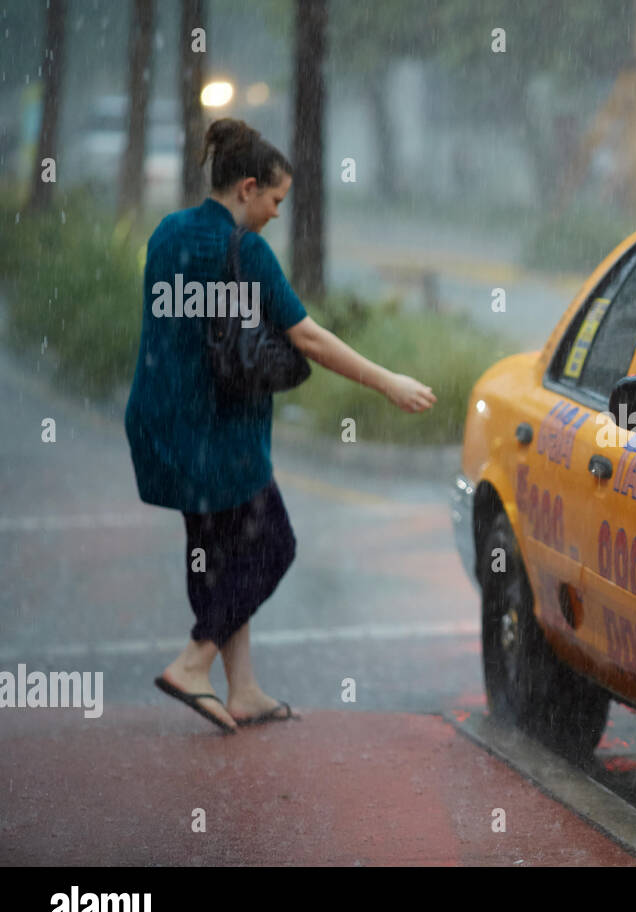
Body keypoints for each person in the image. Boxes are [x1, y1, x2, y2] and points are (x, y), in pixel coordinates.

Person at [125, 118, 435, 734]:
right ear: (246, 188)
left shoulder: (166, 234)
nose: (274, 213)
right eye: (274, 199)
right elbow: (310, 339)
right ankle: (194, 662)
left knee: (217, 553)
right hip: (218, 437)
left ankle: (242, 689)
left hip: (160, 426)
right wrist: (388, 381)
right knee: (274, 546)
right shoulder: (247, 251)